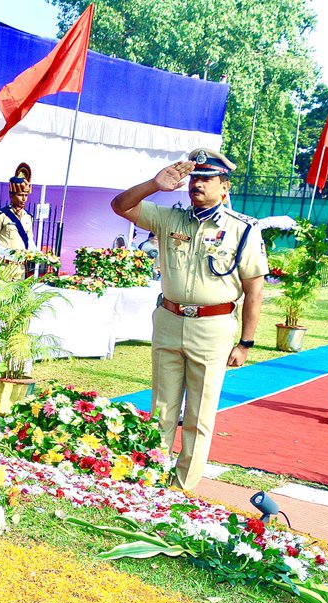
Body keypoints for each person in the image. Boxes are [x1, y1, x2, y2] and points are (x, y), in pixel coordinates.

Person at [110, 148, 267, 491]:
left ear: (224, 187)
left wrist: (245, 343)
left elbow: (254, 292)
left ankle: (182, 486)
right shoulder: (171, 218)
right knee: (162, 409)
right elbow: (120, 205)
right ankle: (151, 477)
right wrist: (154, 184)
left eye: (207, 179)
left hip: (213, 327)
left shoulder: (243, 230)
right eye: (195, 177)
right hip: (169, 320)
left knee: (199, 413)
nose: (197, 184)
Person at [0, 163, 38, 265]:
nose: (24, 199)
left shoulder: (28, 217)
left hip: (21, 267)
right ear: (11, 195)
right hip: (4, 266)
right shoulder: (1, 215)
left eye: (26, 195)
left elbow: (29, 240)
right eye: (20, 195)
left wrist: (35, 252)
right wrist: (6, 252)